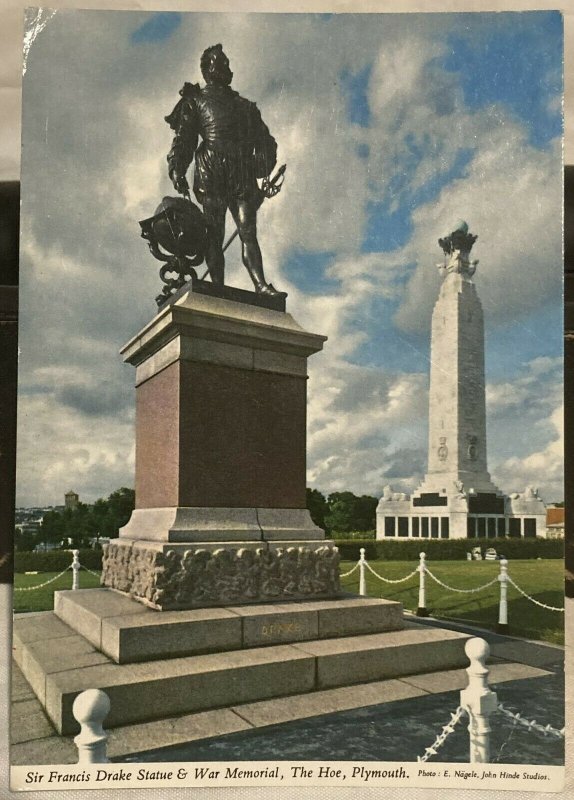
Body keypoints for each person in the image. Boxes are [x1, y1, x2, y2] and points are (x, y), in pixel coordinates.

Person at [165, 44, 285, 298]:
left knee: (248, 231)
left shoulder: (245, 106)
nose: (227, 69)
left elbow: (265, 141)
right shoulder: (195, 101)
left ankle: (260, 285)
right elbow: (185, 138)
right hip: (211, 170)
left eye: (228, 64)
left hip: (241, 172)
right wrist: (178, 168)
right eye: (222, 64)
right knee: (214, 234)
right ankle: (217, 289)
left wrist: (261, 166)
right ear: (209, 69)